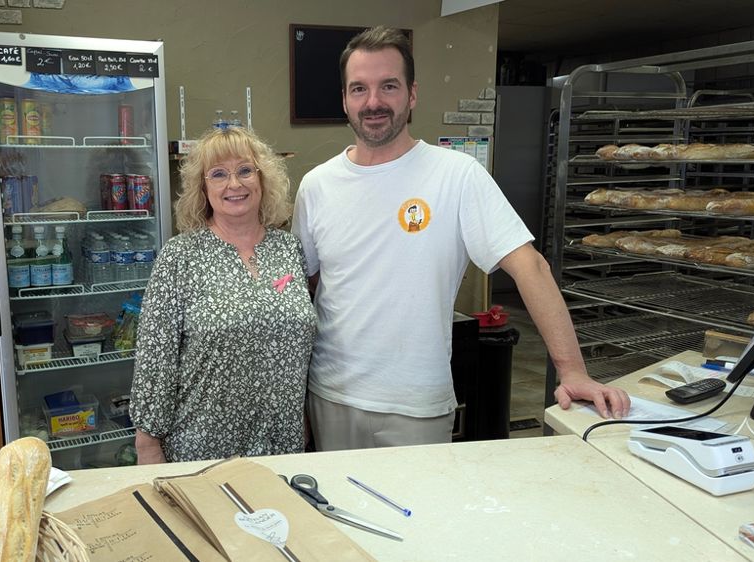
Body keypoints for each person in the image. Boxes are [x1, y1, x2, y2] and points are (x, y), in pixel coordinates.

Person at [291, 26, 631, 452]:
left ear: (412, 94)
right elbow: (303, 289)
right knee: (333, 517)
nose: (373, 102)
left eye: (388, 86)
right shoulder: (317, 185)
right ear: (344, 98)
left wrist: (572, 370)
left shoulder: (456, 175)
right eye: (359, 88)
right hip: (331, 395)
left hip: (417, 404)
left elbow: (530, 267)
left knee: (418, 517)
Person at [130, 126, 317, 464]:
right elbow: (154, 360)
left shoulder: (288, 249)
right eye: (218, 174)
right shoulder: (180, 257)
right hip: (201, 449)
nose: (235, 184)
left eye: (245, 170)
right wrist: (148, 446)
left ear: (263, 180)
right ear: (203, 188)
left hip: (281, 446)